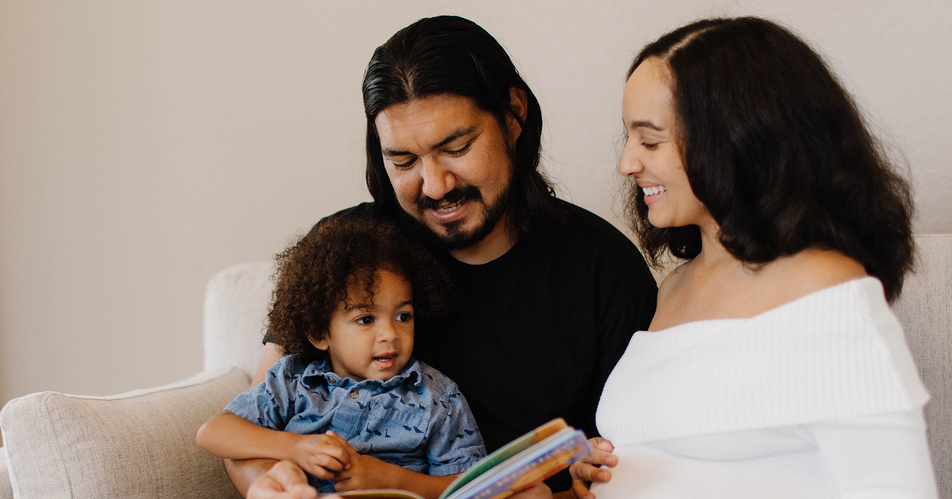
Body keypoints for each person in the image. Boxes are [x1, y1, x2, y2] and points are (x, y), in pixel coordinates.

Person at [229, 15, 658, 499]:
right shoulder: (348, 251)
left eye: (456, 148)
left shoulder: (603, 270)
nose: (435, 186)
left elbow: (624, 462)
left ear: (513, 115)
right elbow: (249, 431)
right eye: (404, 162)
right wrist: (266, 488)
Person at [589, 17, 937, 498]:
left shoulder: (825, 290)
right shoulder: (673, 287)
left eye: (650, 140)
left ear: (736, 139)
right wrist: (613, 473)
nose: (627, 162)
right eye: (628, 138)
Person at [197, 215, 487, 497]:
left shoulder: (438, 397)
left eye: (402, 316)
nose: (390, 333)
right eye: (365, 319)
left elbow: (474, 486)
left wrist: (393, 480)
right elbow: (213, 432)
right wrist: (295, 448)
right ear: (319, 333)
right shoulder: (294, 380)